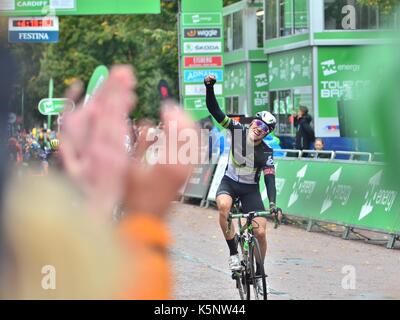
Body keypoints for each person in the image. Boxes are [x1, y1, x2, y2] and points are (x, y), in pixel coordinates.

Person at [204, 75, 281, 293]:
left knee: (261, 232)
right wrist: (209, 87)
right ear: (252, 123)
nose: (258, 128)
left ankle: (258, 271)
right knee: (223, 207)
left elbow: (269, 177)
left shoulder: (266, 151)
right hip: (229, 182)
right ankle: (233, 255)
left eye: (264, 128)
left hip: (250, 191)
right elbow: (215, 110)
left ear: (267, 133)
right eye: (258, 123)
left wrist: (273, 204)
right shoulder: (237, 130)